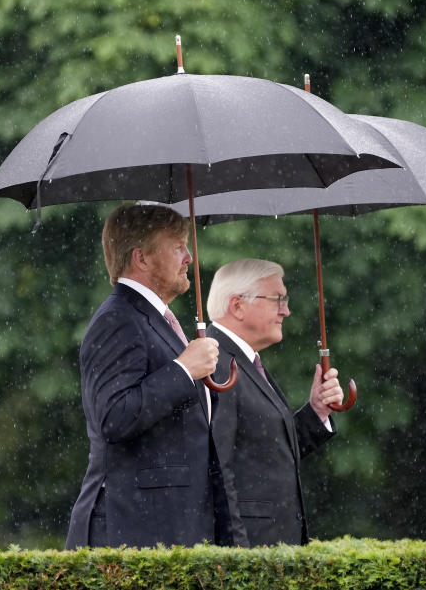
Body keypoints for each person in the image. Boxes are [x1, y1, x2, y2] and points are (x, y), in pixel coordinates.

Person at [65, 203, 227, 549]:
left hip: (167, 527)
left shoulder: (155, 319)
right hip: (134, 530)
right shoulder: (118, 319)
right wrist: (184, 370)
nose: (189, 257)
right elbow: (113, 417)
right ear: (141, 258)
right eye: (178, 246)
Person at [206, 258, 345, 546]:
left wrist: (317, 411)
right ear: (237, 306)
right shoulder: (216, 364)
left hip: (271, 550)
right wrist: (238, 559)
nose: (287, 310)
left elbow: (268, 451)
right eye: (278, 299)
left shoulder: (243, 361)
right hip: (253, 555)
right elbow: (220, 468)